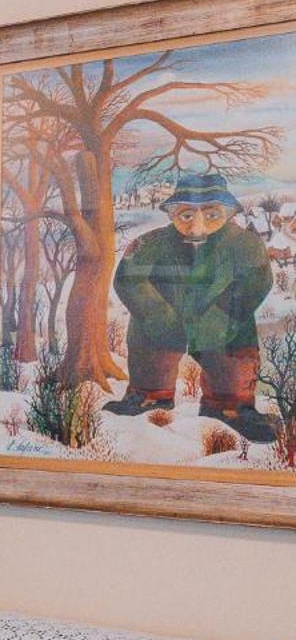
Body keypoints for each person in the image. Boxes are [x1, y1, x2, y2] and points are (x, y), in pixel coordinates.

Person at [105, 171, 277, 442]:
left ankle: (229, 407)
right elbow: (127, 280)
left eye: (211, 215)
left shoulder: (247, 243)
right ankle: (149, 396)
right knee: (148, 347)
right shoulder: (150, 242)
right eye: (186, 215)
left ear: (228, 212)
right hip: (163, 320)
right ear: (172, 213)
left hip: (222, 323)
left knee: (233, 357)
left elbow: (258, 279)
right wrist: (159, 315)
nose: (197, 226)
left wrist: (222, 315)